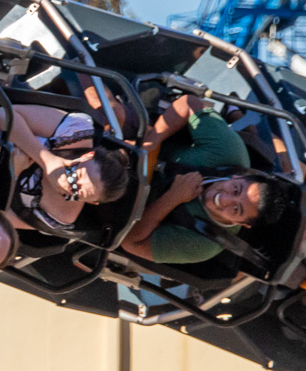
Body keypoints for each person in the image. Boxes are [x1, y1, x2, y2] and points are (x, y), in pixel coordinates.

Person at [120, 97, 286, 264]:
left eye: (236, 209)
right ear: (238, 176)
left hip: (119, 200)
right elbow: (190, 103)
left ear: (241, 223)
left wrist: (171, 198)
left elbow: (131, 243)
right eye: (236, 189)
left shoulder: (203, 244)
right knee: (114, 112)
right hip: (135, 145)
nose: (224, 199)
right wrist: (151, 142)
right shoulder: (229, 152)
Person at [0, 105, 132, 236]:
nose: (69, 180)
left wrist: (12, 175)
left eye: (77, 191)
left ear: (91, 202)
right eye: (76, 173)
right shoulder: (75, 131)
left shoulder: (60, 216)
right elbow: (2, 114)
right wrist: (46, 160)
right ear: (87, 156)